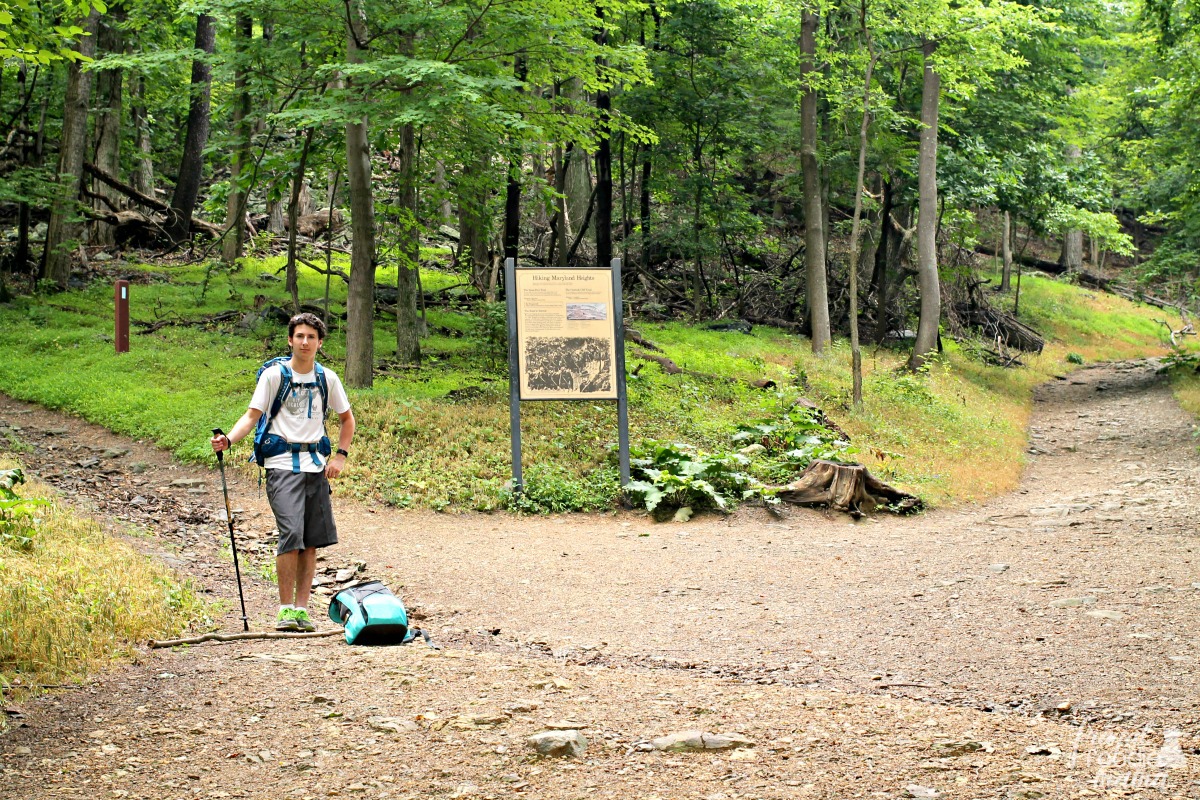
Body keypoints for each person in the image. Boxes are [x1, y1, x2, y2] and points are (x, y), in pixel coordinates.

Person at [210, 312, 355, 632]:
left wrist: (340, 457)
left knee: (311, 541)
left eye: (311, 337)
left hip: (315, 467)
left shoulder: (327, 379)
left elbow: (348, 420)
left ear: (320, 342)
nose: (305, 342)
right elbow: (251, 416)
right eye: (300, 336)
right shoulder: (274, 376)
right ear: (290, 340)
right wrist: (229, 440)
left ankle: (302, 610)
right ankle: (285, 609)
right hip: (280, 467)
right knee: (292, 533)